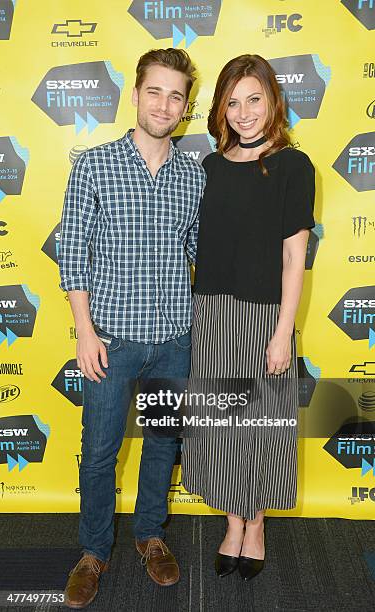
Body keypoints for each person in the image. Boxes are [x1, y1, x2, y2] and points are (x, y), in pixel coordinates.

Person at [58, 48, 206, 608]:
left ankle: (149, 535)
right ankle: (94, 551)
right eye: (155, 91)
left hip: (174, 338)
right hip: (110, 339)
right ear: (136, 93)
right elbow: (72, 251)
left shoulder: (194, 176)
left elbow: (198, 251)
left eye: (176, 96)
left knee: (162, 445)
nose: (164, 104)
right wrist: (84, 330)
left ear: (185, 108)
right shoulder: (94, 165)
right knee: (98, 451)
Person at [182, 54, 315, 581]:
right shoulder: (209, 168)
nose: (243, 113)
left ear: (272, 100)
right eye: (232, 102)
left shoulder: (294, 166)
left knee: (259, 429)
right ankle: (232, 523)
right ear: (220, 109)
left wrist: (284, 331)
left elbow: (293, 257)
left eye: (253, 99)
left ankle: (254, 526)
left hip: (265, 321)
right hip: (212, 315)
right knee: (219, 431)